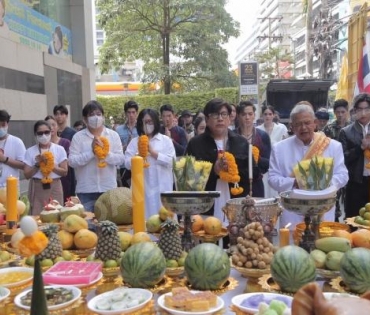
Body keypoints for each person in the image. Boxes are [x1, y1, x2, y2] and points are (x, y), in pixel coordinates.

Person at [269, 104, 348, 230]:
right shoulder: (279, 149)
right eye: (298, 124)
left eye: (307, 122)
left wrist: (323, 183)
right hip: (292, 212)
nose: (303, 127)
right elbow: (272, 178)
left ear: (315, 123)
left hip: (323, 209)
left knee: (322, 247)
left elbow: (343, 175)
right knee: (293, 249)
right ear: (292, 126)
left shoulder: (332, 146)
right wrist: (294, 182)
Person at [186, 98, 260, 222]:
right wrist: (214, 170)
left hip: (236, 202)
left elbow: (254, 173)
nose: (220, 118)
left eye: (224, 114)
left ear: (229, 118)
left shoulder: (240, 142)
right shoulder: (196, 144)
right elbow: (189, 178)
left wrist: (233, 171)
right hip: (207, 205)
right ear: (207, 119)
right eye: (215, 114)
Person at [69, 100, 125, 211]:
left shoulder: (113, 135)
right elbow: (72, 161)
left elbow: (120, 159)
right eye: (91, 115)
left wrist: (104, 153)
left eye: (99, 114)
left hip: (108, 188)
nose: (96, 118)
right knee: (88, 225)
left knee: (108, 224)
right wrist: (92, 152)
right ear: (85, 119)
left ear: (103, 117)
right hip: (86, 190)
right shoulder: (78, 137)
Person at [125, 108, 176, 219]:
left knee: (165, 223)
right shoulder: (134, 142)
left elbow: (172, 162)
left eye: (150, 122)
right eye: (144, 122)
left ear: (156, 122)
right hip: (143, 190)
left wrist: (153, 153)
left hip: (162, 188)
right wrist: (139, 155)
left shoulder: (165, 140)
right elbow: (127, 164)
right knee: (144, 222)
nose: (147, 125)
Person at [23, 120, 68, 215]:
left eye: (46, 132)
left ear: (51, 132)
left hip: (55, 185)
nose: (44, 135)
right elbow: (26, 175)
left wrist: (50, 165)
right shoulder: (30, 151)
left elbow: (64, 172)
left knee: (56, 215)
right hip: (37, 186)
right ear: (35, 134)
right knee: (37, 216)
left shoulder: (59, 149)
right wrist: (38, 164)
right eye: (40, 133)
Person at [339, 93, 370, 219]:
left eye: (367, 109)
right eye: (360, 109)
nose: (363, 113)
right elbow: (342, 159)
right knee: (353, 217)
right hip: (355, 182)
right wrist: (360, 148)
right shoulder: (346, 132)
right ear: (355, 111)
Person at [236, 101, 271, 197]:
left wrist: (256, 158)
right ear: (238, 116)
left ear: (254, 116)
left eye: (250, 114)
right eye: (243, 114)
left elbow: (268, 163)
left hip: (257, 184)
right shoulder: (232, 136)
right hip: (237, 184)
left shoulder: (262, 136)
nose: (247, 117)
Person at [323, 99, 350, 221]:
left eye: (343, 112)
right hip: (334, 169)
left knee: (350, 199)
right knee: (334, 197)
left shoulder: (352, 127)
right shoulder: (329, 129)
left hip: (350, 167)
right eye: (337, 112)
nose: (340, 115)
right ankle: (334, 220)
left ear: (347, 112)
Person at [257, 105, 288, 199]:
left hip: (277, 164)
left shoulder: (281, 128)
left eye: (270, 114)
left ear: (273, 115)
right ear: (262, 115)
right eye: (265, 114)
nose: (267, 116)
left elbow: (286, 145)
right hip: (264, 164)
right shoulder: (258, 130)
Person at [45, 115, 74, 202]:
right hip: (47, 180)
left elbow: (69, 162)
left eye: (53, 125)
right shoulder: (42, 145)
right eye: (48, 125)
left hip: (64, 180)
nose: (51, 128)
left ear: (57, 126)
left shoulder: (65, 142)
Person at [116, 100, 139, 188]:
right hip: (123, 166)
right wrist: (127, 145)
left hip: (138, 165)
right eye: (129, 112)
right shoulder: (119, 130)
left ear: (137, 113)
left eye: (133, 112)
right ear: (125, 114)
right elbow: (117, 149)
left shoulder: (141, 129)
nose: (131, 115)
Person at [0, 110, 26, 187]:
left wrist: (5, 159)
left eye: (3, 125)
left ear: (7, 124)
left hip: (11, 188)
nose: (0, 128)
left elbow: (24, 165)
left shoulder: (16, 142)